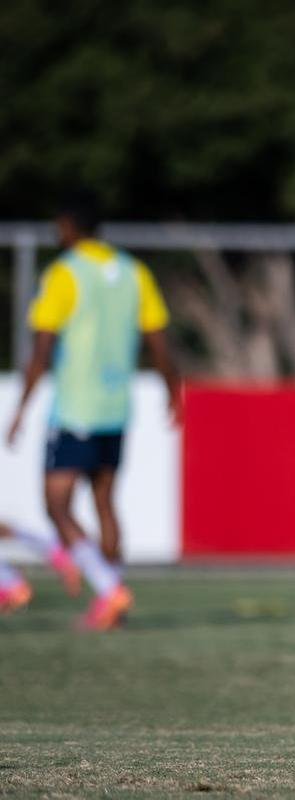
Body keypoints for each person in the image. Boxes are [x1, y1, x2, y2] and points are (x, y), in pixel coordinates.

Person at [6, 193, 181, 630]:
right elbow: (158, 341)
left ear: (68, 226)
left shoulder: (65, 273)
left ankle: (109, 589)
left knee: (57, 505)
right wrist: (173, 390)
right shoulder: (134, 272)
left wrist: (22, 407)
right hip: (117, 407)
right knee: (105, 502)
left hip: (76, 408)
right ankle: (114, 601)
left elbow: (42, 348)